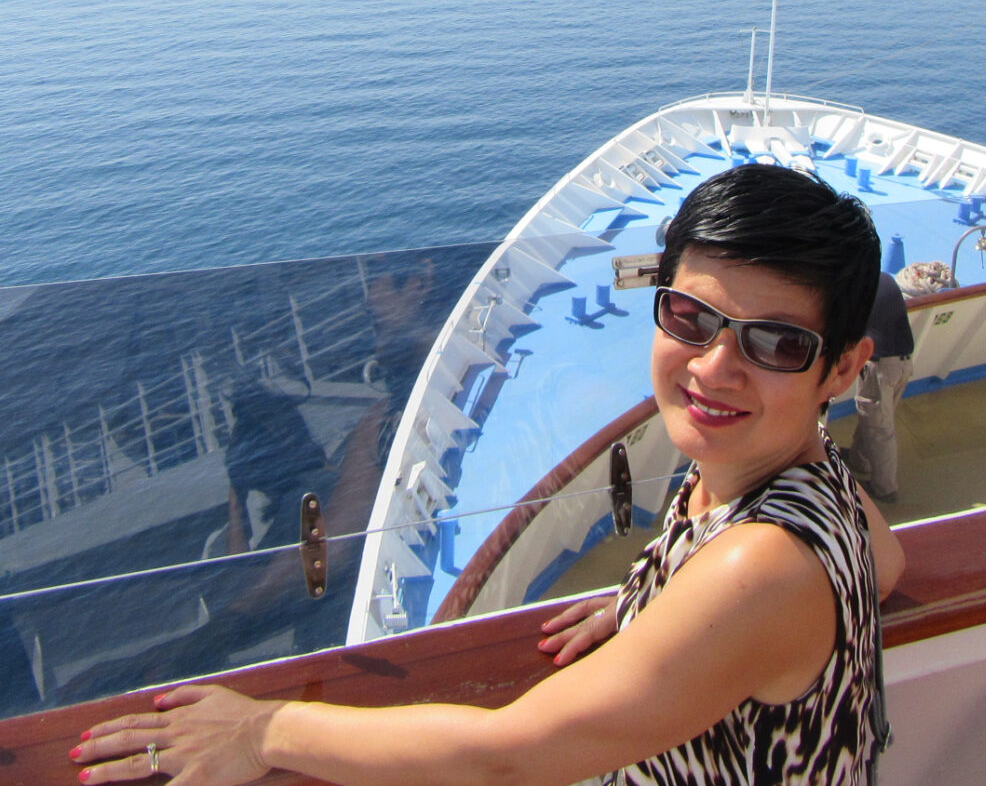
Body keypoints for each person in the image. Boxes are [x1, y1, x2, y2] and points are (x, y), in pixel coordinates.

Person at [69, 165, 905, 786]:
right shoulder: (815, 483)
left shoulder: (759, 566)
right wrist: (663, 607)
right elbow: (884, 559)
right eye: (692, 318)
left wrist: (263, 733)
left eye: (775, 343)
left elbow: (511, 756)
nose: (715, 368)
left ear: (841, 368)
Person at [844, 271, 915, 502]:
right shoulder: (884, 279)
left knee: (879, 429)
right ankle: (858, 461)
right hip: (903, 363)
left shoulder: (855, 289)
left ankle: (885, 488)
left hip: (880, 367)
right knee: (875, 419)